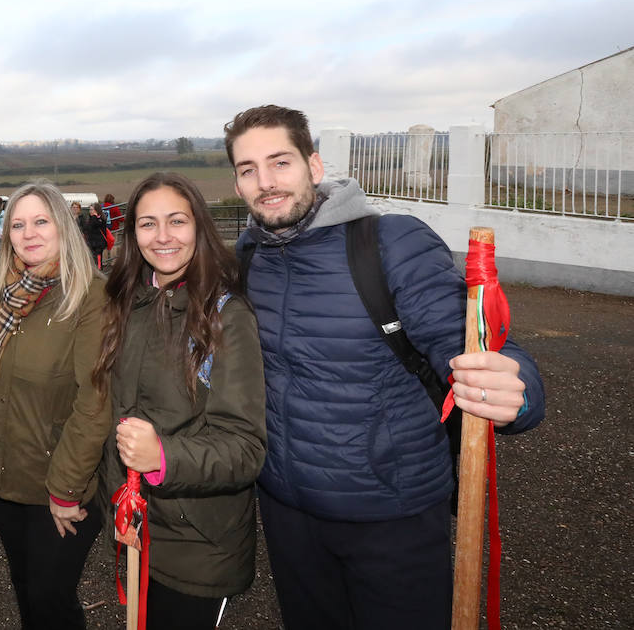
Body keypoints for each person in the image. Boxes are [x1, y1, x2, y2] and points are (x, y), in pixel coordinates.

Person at [224, 104, 546, 630]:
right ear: (238, 185)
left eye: (280, 162)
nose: (266, 182)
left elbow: (469, 343)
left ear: (315, 165)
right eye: (248, 169)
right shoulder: (249, 257)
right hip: (287, 510)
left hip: (390, 511)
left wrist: (518, 388)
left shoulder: (389, 243)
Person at [93, 173, 266, 628]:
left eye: (177, 221)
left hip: (196, 543)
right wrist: (112, 497)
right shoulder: (127, 302)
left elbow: (245, 449)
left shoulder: (225, 316)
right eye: (148, 224)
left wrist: (162, 457)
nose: (163, 236)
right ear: (132, 233)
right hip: (135, 526)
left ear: (199, 226)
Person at [0, 180, 108, 630]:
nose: (28, 233)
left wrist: (66, 489)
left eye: (40, 221)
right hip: (3, 478)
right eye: (17, 224)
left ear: (63, 226)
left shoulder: (90, 295)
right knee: (28, 593)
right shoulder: (6, 293)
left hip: (58, 487)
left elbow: (95, 399)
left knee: (51, 601)